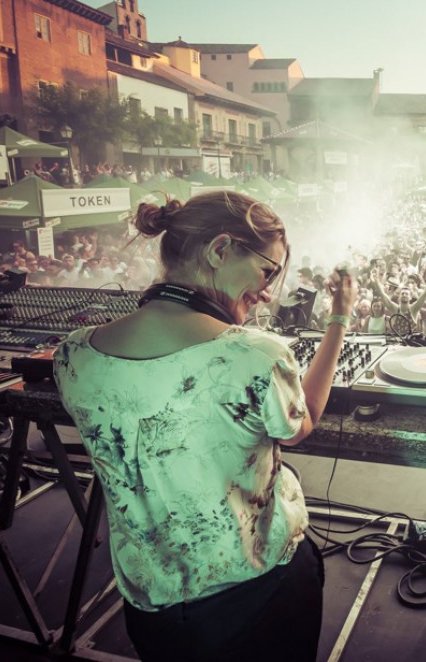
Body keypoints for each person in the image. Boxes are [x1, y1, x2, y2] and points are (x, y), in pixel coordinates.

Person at [53, 191, 355, 661]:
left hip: (149, 604)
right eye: (267, 271)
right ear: (219, 251)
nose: (269, 291)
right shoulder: (254, 355)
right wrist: (338, 319)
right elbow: (301, 424)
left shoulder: (73, 354)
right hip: (255, 595)